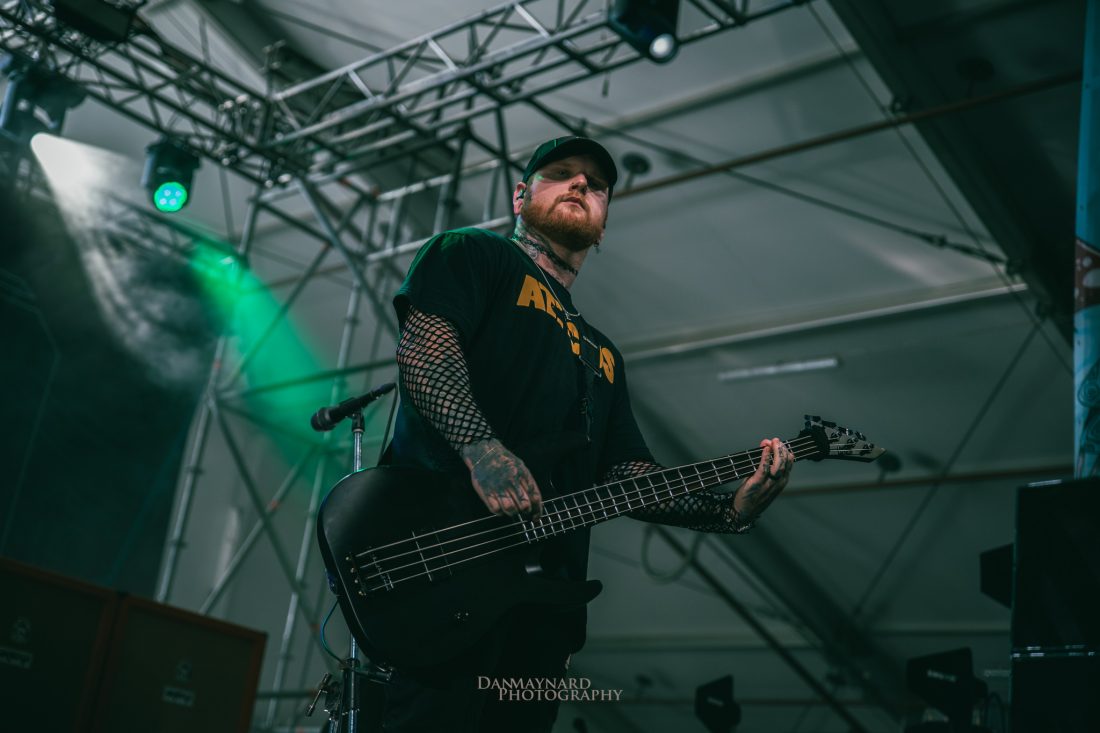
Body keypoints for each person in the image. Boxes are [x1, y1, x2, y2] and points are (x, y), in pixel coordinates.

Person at [381, 136, 794, 732]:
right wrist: (483, 449)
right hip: (446, 566)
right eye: (561, 173)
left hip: (542, 602)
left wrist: (729, 511)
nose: (580, 184)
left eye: (596, 185)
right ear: (520, 196)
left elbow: (628, 475)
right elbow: (426, 352)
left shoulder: (604, 355)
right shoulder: (472, 252)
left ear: (602, 226)